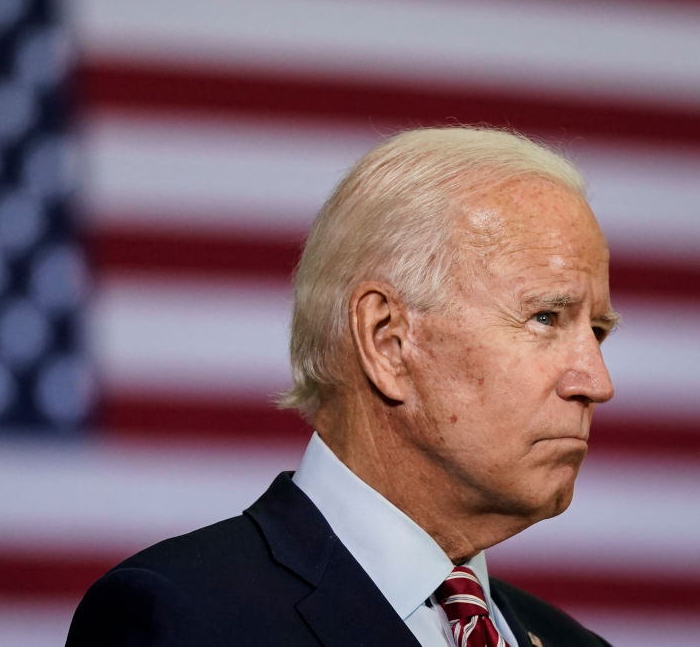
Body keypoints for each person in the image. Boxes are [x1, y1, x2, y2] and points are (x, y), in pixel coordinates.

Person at [67, 126, 617, 646]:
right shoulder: (183, 619)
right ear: (387, 341)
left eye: (597, 332)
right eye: (546, 317)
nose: (597, 382)